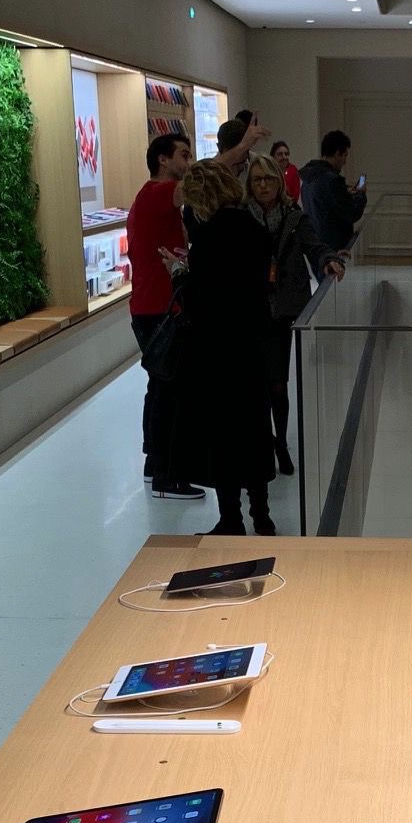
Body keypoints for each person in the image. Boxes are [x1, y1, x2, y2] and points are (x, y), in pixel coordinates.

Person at [176, 162, 276, 535]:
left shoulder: (208, 237)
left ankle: (230, 518)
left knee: (222, 435)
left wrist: (180, 276)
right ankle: (262, 515)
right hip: (251, 345)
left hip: (216, 350)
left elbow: (202, 301)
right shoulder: (255, 229)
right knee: (253, 429)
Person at [244, 153, 345, 475]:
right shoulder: (239, 218)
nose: (263, 185)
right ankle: (261, 443)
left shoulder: (293, 217)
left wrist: (328, 259)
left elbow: (314, 246)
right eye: (257, 179)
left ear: (279, 182)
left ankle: (281, 444)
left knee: (277, 383)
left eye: (269, 179)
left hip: (283, 308)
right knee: (254, 383)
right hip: (249, 309)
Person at [126, 132, 203, 498]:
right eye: (183, 155)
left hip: (154, 307)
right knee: (169, 390)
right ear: (162, 160)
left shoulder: (156, 200)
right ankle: (164, 475)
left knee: (161, 387)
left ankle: (155, 465)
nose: (189, 162)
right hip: (158, 309)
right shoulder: (157, 193)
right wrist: (238, 149)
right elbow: (199, 184)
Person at [299, 129, 367, 254]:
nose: (345, 161)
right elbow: (351, 213)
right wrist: (360, 194)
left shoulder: (309, 176)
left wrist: (345, 193)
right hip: (333, 248)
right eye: (345, 155)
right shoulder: (332, 180)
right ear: (337, 153)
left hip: (316, 247)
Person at [270, 139, 302, 205]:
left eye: (286, 154)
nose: (284, 157)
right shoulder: (267, 171)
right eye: (280, 154)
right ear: (272, 157)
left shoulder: (293, 170)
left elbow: (294, 196)